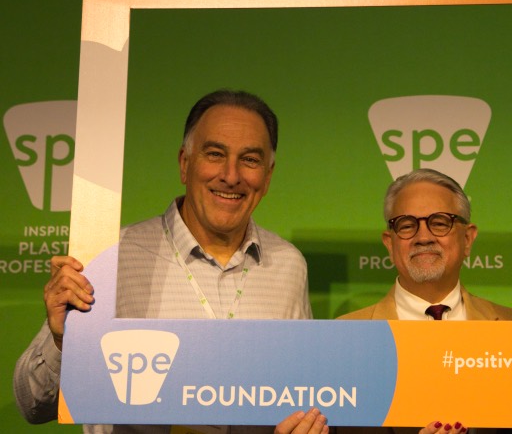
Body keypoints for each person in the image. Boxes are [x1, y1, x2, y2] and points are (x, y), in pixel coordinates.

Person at [14, 89, 329, 434]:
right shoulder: (111, 256)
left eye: (250, 160)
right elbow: (33, 405)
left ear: (267, 177)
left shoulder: (288, 265)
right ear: (184, 163)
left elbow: (299, 394)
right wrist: (64, 340)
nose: (231, 175)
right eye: (215, 154)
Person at [338, 168, 512, 434]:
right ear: (389, 243)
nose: (424, 237)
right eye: (407, 225)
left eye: (439, 223)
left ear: (467, 238)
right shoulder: (343, 341)